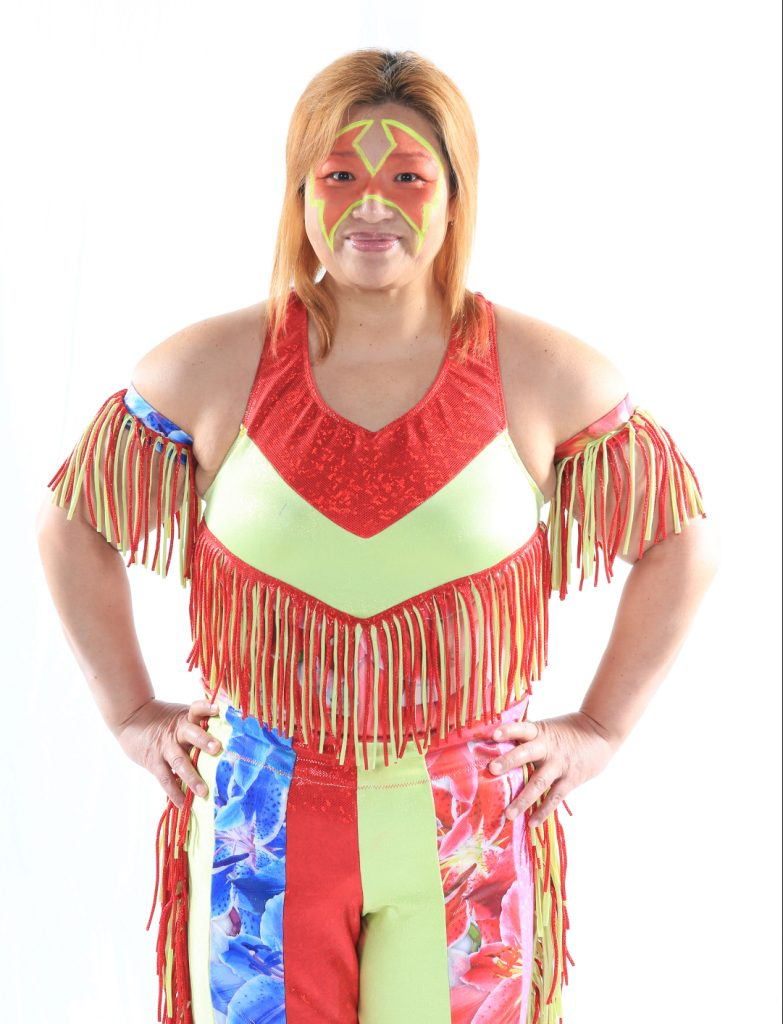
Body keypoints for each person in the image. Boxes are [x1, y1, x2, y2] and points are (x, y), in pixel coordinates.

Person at [36, 47, 719, 1024]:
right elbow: (72, 522)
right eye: (339, 175)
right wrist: (131, 714)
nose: (371, 204)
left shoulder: (539, 370)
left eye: (407, 176)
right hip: (259, 815)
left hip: (470, 818)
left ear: (455, 195)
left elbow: (682, 539)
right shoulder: (213, 363)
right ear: (299, 190)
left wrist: (600, 729)